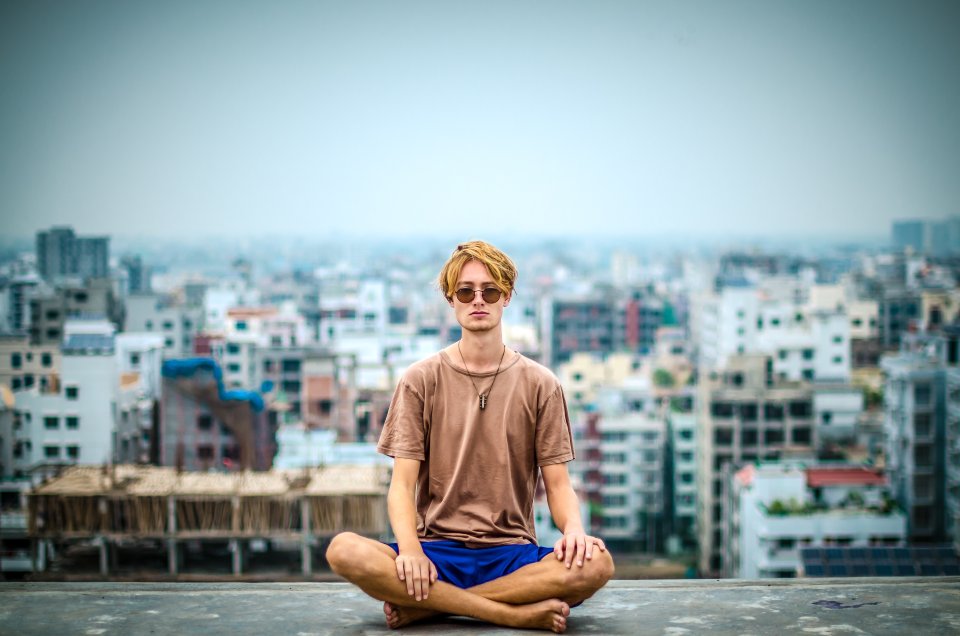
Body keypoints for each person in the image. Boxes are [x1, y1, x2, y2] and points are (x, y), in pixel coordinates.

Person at [326, 240, 614, 633]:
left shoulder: (540, 384)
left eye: (490, 291)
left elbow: (559, 485)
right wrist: (410, 551)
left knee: (597, 563)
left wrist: (575, 532)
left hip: (511, 554)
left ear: (506, 297)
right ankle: (509, 612)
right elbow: (402, 485)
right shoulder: (420, 380)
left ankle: (433, 607)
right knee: (343, 550)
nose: (478, 300)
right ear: (451, 299)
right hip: (435, 552)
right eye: (465, 291)